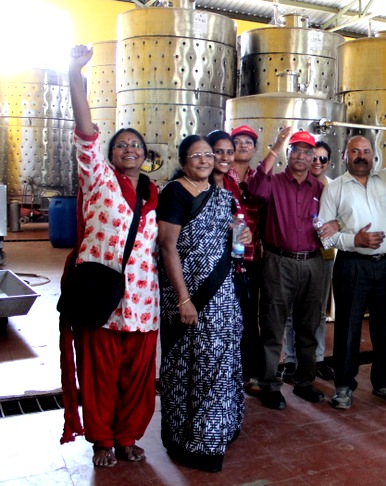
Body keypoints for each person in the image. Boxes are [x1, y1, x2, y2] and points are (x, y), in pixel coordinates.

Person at [60, 44, 160, 468]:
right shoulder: (99, 179)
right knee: (100, 374)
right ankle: (102, 440)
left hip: (144, 303)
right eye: (121, 145)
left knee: (138, 378)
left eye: (136, 145)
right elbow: (86, 130)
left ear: (147, 154)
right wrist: (73, 73)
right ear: (110, 154)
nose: (130, 149)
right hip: (103, 297)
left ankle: (127, 436)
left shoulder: (158, 194)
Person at [157, 135, 251, 472]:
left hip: (222, 295)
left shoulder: (222, 196)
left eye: (208, 155)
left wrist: (241, 235)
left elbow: (227, 237)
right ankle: (188, 439)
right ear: (183, 160)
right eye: (196, 155)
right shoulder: (174, 193)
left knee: (220, 364)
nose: (204, 160)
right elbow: (168, 248)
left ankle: (215, 432)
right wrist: (184, 299)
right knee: (188, 367)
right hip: (190, 297)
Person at [319, 122, 386, 409]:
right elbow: (326, 237)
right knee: (348, 327)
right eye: (355, 151)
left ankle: (384, 381)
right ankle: (343, 385)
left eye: (366, 151)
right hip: (352, 265)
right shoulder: (334, 189)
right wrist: (355, 240)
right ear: (345, 156)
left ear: (374, 156)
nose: (361, 156)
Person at [248, 130, 329, 410]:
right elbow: (256, 189)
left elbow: (335, 218)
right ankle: (270, 384)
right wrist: (277, 144)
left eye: (308, 152)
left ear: (313, 158)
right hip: (278, 261)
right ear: (288, 154)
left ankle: (305, 381)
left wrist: (338, 226)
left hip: (312, 262)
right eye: (296, 150)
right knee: (272, 325)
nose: (302, 157)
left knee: (309, 325)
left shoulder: (320, 189)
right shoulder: (274, 182)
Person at [282, 139, 336, 382]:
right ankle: (291, 359)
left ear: (329, 163)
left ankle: (318, 358)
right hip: (294, 254)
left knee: (317, 310)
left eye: (322, 159)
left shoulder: (333, 188)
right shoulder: (294, 183)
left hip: (322, 255)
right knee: (292, 310)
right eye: (314, 157)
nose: (317, 162)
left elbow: (344, 216)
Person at [229, 125, 267, 392]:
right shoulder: (220, 176)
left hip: (252, 258)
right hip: (223, 258)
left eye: (248, 142)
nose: (243, 146)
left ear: (254, 149)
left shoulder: (259, 177)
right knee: (223, 315)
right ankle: (225, 371)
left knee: (249, 315)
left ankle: (251, 373)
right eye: (238, 141)